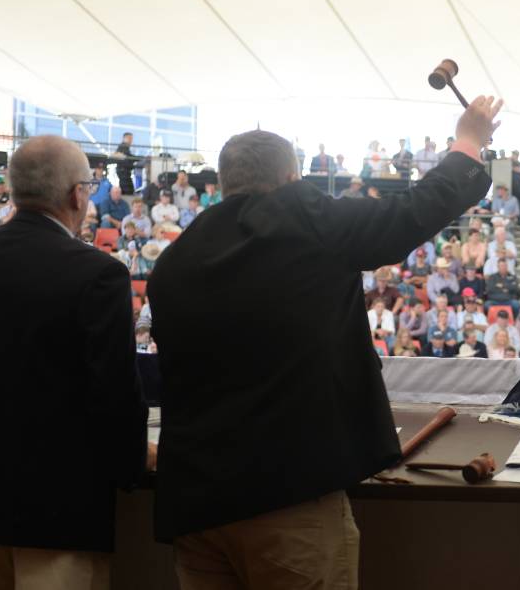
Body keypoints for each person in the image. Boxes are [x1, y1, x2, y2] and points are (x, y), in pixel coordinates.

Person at [147, 97, 501, 586]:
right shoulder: (304, 218)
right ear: (292, 180)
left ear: (226, 183)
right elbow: (410, 214)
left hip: (197, 503)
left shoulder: (176, 259)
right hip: (288, 496)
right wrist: (468, 141)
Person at [0, 136, 149, 589]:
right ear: (76, 194)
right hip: (58, 509)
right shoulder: (98, 273)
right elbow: (115, 391)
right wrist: (133, 466)